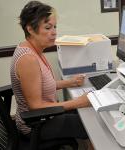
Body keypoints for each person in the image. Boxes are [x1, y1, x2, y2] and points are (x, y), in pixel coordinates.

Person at [10, 1, 93, 149]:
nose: (54, 32)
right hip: (35, 125)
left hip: (44, 117)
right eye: (48, 27)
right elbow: (36, 106)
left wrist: (69, 83)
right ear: (30, 29)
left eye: (55, 27)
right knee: (92, 124)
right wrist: (79, 101)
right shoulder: (28, 59)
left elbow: (40, 85)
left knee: (86, 112)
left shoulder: (34, 50)